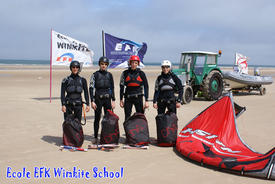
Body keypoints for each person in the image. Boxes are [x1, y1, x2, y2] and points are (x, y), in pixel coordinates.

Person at [89, 56, 115, 142]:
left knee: (108, 119)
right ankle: (96, 137)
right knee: (97, 118)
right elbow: (91, 88)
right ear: (99, 64)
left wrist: (113, 100)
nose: (103, 66)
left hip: (107, 99)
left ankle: (107, 136)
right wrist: (92, 101)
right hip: (98, 99)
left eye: (105, 64)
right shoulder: (95, 75)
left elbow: (112, 88)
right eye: (102, 64)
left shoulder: (110, 75)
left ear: (107, 65)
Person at [120, 55, 149, 121]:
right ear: (130, 63)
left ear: (138, 64)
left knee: (140, 117)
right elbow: (121, 86)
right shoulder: (125, 73)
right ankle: (127, 131)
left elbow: (146, 86)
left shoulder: (141, 73)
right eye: (132, 62)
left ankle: (140, 131)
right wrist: (121, 99)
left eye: (135, 63)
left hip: (138, 97)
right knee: (127, 117)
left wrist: (146, 100)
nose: (134, 64)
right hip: (128, 97)